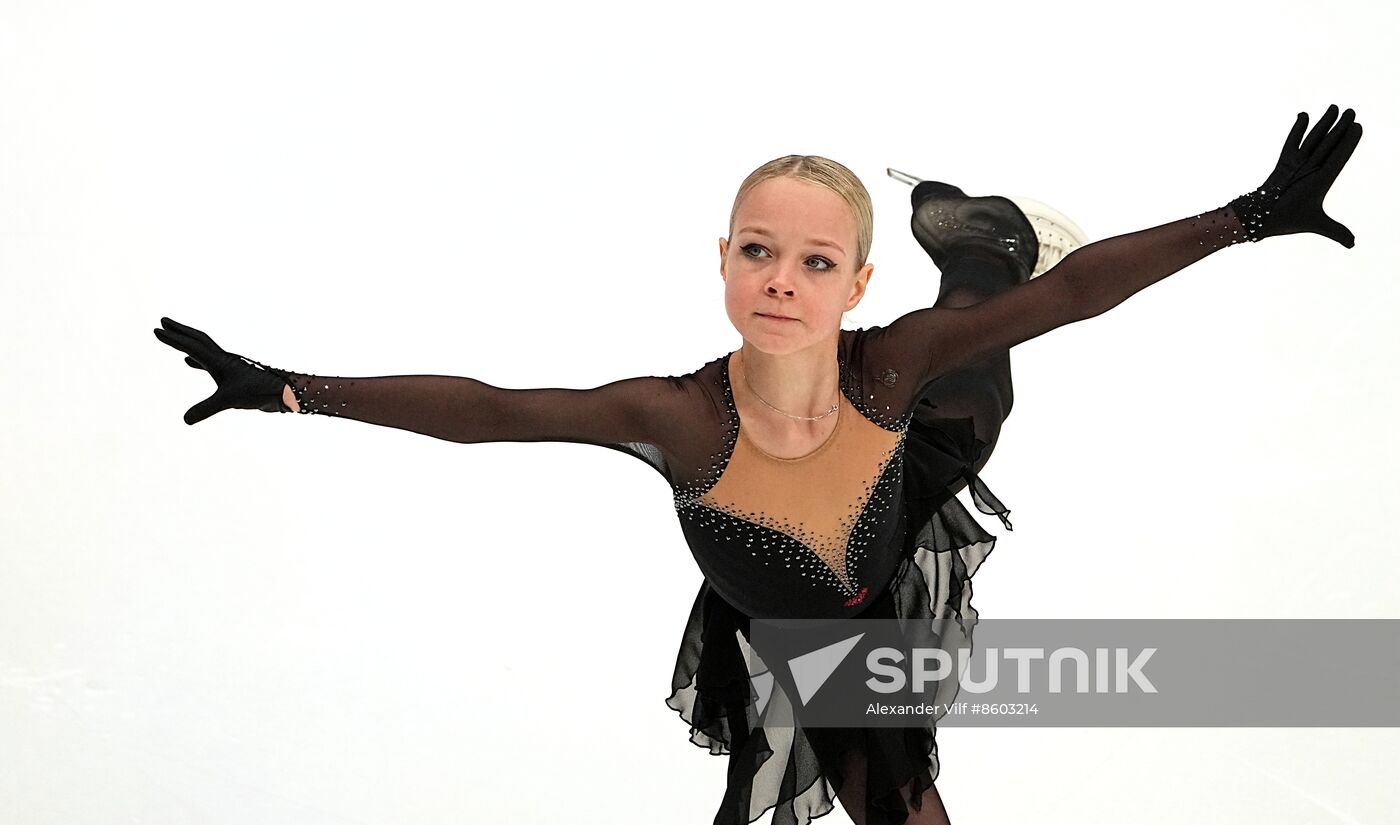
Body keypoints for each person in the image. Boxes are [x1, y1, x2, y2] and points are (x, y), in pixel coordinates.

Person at [153, 105, 1362, 825]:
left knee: (993, 335)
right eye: (756, 252)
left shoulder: (891, 364)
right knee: (798, 785)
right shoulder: (675, 419)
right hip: (793, 620)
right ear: (724, 261)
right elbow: (488, 410)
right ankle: (977, 244)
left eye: (816, 263)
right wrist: (290, 388)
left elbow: (1079, 294)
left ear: (853, 284)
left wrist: (1246, 215)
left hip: (908, 472)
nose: (780, 280)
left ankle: (978, 232)